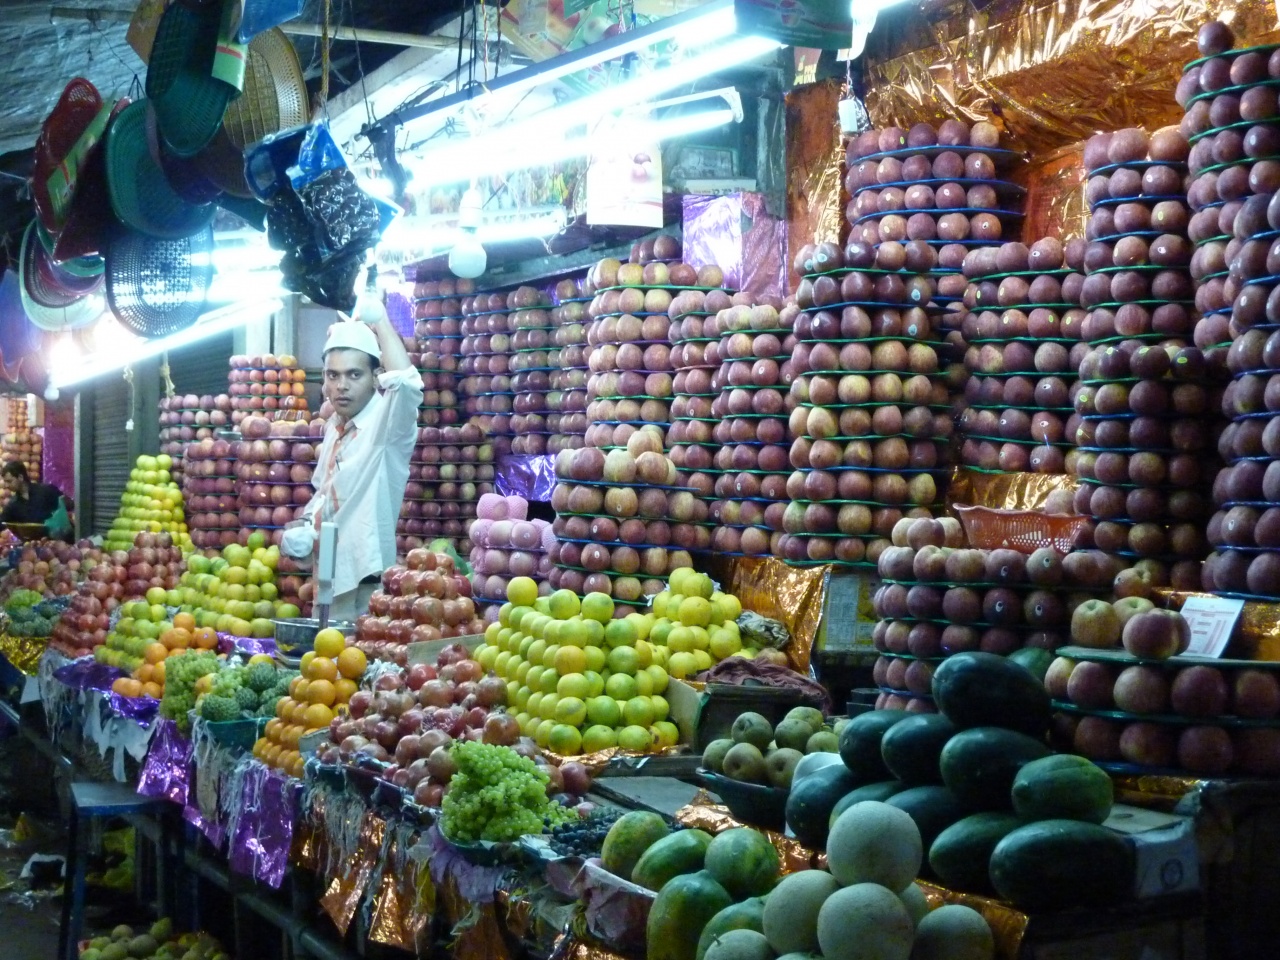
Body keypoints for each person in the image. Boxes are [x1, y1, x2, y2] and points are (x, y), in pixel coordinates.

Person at [280, 304, 423, 621]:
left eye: (354, 374)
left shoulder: (384, 430)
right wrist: (304, 529)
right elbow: (324, 493)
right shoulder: (335, 428)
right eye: (334, 375)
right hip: (328, 579)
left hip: (365, 588)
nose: (342, 385)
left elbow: (409, 386)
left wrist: (380, 317)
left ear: (375, 378)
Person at [1, 462, 65, 528]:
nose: (6, 485)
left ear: (20, 477)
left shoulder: (46, 491)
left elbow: (67, 505)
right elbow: (2, 522)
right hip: (30, 538)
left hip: (54, 537)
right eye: (5, 482)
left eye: (9, 481)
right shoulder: (13, 504)